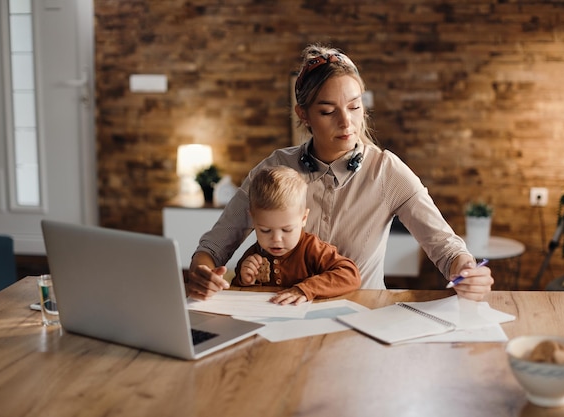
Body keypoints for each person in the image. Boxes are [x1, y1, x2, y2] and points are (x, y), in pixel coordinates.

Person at [187, 43, 493, 301]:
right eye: (328, 111)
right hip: (284, 316)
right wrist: (203, 273)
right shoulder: (273, 168)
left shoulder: (387, 171)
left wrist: (465, 269)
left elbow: (446, 247)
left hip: (364, 318)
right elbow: (213, 247)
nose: (347, 123)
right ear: (303, 115)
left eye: (355, 106)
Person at [233, 166, 361, 305]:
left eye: (287, 230)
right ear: (253, 220)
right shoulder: (254, 254)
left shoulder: (312, 248)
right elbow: (238, 293)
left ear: (303, 218)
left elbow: (350, 275)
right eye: (265, 230)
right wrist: (246, 280)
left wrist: (305, 289)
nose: (276, 239)